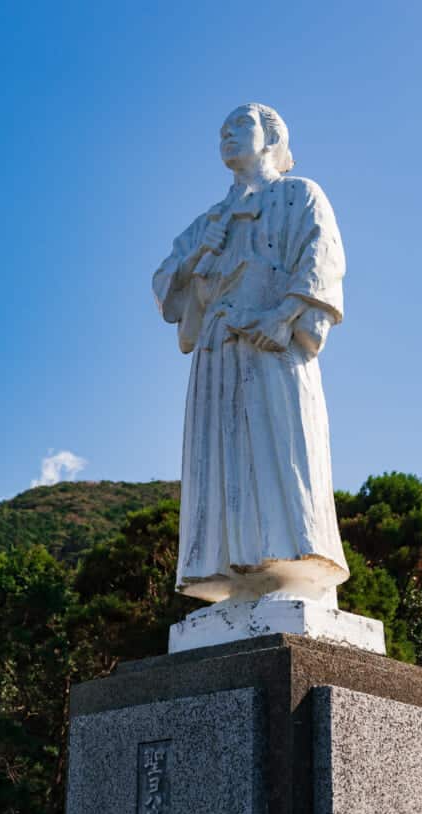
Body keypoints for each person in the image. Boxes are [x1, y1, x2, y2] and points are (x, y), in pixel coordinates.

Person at [153, 102, 350, 606]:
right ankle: (233, 576)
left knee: (283, 446)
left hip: (272, 348)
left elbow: (321, 258)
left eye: (240, 124)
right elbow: (166, 289)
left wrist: (281, 316)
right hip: (218, 355)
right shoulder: (208, 221)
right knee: (222, 460)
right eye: (221, 128)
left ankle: (292, 567)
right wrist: (199, 254)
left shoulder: (299, 194)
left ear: (271, 136)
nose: (226, 133)